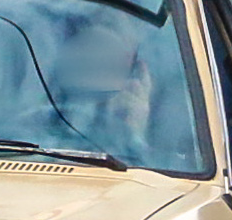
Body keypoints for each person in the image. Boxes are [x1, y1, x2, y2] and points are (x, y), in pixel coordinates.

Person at [33, 23, 151, 157]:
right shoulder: (29, 124)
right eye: (86, 49)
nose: (94, 59)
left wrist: (134, 131)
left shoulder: (132, 127)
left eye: (108, 62)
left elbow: (141, 168)